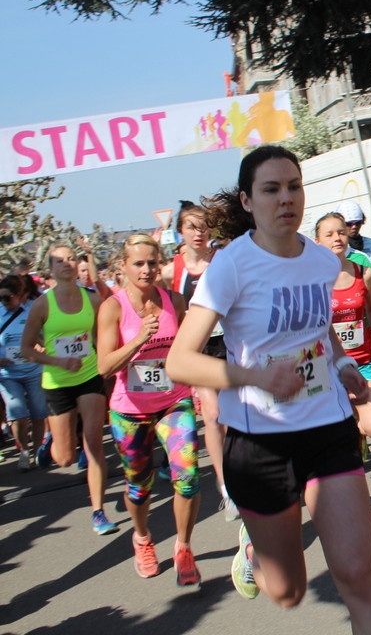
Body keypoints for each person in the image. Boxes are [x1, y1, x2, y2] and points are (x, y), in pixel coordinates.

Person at [164, 145, 371, 634]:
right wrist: (253, 377)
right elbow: (179, 360)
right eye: (271, 189)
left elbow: (320, 328)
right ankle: (253, 551)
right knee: (288, 592)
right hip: (259, 442)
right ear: (248, 201)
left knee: (359, 575)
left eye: (293, 186)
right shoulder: (231, 266)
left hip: (328, 428)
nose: (285, 198)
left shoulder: (319, 261)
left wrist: (342, 362)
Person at [96, 234, 202, 585]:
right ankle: (142, 537)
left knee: (187, 478)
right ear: (123, 267)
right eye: (138, 263)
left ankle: (184, 547)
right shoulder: (113, 307)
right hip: (130, 409)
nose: (146, 270)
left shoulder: (174, 300)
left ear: (161, 264)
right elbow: (104, 367)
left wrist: (198, 384)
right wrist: (139, 338)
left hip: (174, 400)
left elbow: (187, 349)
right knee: (138, 487)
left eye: (152, 263)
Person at [20, 244, 117, 534]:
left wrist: (110, 367)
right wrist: (57, 360)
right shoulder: (42, 305)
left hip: (88, 377)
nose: (66, 264)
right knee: (65, 458)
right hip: (57, 383)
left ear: (78, 265)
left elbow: (103, 340)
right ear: (50, 269)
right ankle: (51, 442)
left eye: (71, 259)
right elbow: (26, 350)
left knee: (94, 443)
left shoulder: (94, 300)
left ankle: (98, 512)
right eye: (59, 261)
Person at [160, 200, 239, 521]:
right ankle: (226, 488)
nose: (199, 232)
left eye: (203, 226)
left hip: (229, 344)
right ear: (180, 232)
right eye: (192, 226)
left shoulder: (223, 261)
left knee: (235, 415)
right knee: (214, 415)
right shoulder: (170, 271)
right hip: (199, 351)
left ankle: (245, 472)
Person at [313, 211, 371, 446]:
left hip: (362, 360)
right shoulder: (312, 280)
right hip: (326, 366)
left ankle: (357, 431)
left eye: (341, 232)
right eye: (329, 234)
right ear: (318, 242)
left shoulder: (362, 272)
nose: (337, 238)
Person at [0, 274, 46, 471]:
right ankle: (23, 452)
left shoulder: (34, 310)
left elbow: (46, 337)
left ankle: (37, 452)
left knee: (38, 413)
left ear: (22, 295)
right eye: (0, 297)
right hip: (7, 375)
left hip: (34, 370)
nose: (4, 301)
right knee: (17, 413)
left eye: (7, 297)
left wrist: (43, 347)